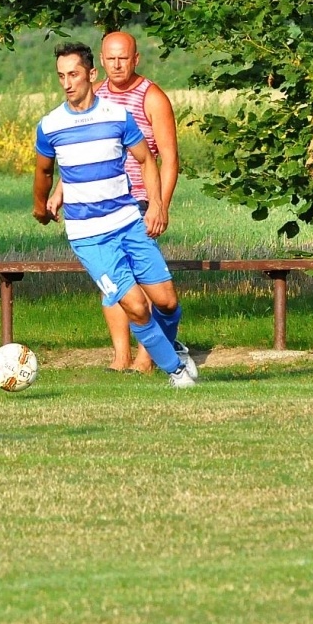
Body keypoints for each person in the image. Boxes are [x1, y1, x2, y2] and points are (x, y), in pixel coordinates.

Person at [33, 42, 197, 388]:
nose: (67, 83)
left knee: (166, 301)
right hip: (89, 235)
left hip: (128, 221)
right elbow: (48, 172)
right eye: (61, 76)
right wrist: (44, 203)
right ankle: (175, 371)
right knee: (136, 305)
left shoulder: (119, 115)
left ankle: (167, 349)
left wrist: (156, 204)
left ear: (91, 74)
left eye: (73, 74)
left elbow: (148, 159)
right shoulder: (50, 125)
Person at [88, 31, 179, 371]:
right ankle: (120, 355)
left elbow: (169, 158)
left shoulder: (151, 97)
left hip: (139, 200)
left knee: (143, 281)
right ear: (100, 60)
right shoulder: (94, 96)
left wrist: (160, 205)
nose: (117, 65)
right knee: (111, 280)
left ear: (136, 59)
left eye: (123, 58)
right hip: (101, 203)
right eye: (110, 58)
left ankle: (147, 356)